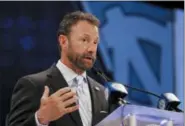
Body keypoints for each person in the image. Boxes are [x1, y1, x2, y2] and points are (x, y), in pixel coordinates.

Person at [7, 11, 108, 126]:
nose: (92, 49)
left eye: (95, 42)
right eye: (84, 40)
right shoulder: (33, 85)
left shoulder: (101, 92)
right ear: (63, 41)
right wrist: (40, 118)